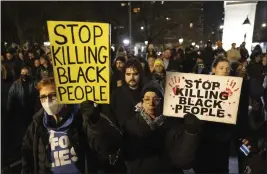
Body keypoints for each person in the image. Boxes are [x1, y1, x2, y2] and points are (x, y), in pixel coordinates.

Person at [83, 81, 201, 173]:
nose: (151, 103)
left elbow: (182, 161)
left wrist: (191, 133)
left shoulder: (173, 126)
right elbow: (111, 144)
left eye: (156, 99)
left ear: (163, 101)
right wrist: (96, 121)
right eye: (147, 99)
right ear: (142, 102)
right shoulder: (130, 125)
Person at [21, 78, 115, 174]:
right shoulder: (36, 125)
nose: (48, 101)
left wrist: (95, 120)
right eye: (43, 97)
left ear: (64, 94)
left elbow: (106, 147)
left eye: (53, 95)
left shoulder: (81, 119)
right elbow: (27, 157)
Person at [194, 58, 234, 173]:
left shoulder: (234, 87)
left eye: (227, 69)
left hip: (223, 138)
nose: (225, 71)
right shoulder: (203, 85)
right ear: (214, 69)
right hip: (204, 137)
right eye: (221, 68)